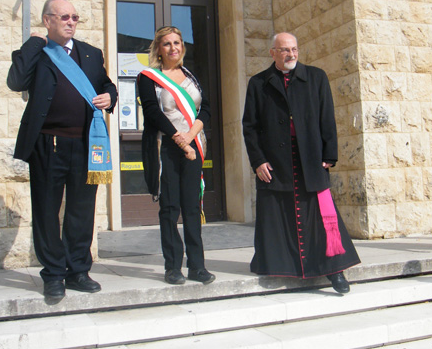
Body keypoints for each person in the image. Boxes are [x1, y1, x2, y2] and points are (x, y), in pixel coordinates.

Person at [7, 0, 118, 301]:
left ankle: (78, 271)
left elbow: (106, 84)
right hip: (48, 144)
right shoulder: (37, 52)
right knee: (46, 210)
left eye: (74, 17)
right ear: (48, 21)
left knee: (82, 209)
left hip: (86, 144)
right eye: (64, 17)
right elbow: (16, 81)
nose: (71, 22)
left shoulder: (91, 53)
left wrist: (110, 97)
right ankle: (53, 274)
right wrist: (34, 42)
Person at [242, 32, 360, 293]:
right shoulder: (258, 83)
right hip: (276, 161)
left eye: (294, 49)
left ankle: (335, 271)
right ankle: (283, 268)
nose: (291, 54)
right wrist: (258, 160)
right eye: (285, 50)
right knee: (279, 214)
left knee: (322, 216)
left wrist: (329, 154)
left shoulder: (316, 77)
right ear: (273, 53)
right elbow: (249, 127)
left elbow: (327, 117)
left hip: (310, 158)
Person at [137, 26, 215, 286]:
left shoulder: (190, 76)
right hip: (166, 148)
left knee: (192, 207)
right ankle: (172, 267)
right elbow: (152, 112)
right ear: (158, 49)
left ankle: (197, 267)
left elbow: (206, 108)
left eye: (177, 43)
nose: (173, 48)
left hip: (194, 147)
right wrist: (180, 140)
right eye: (167, 43)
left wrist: (191, 135)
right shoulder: (148, 77)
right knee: (170, 208)